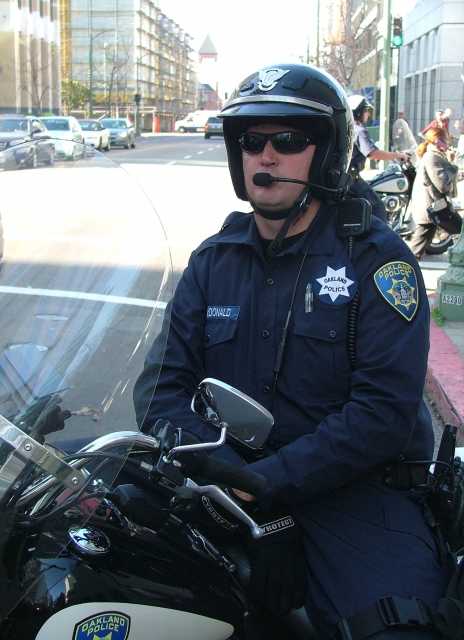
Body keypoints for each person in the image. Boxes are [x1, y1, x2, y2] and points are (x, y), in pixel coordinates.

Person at [134, 63, 449, 640]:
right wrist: (217, 477)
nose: (266, 157)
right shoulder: (213, 262)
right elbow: (162, 392)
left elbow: (382, 415)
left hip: (351, 495)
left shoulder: (377, 261)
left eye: (288, 140)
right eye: (252, 142)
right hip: (221, 484)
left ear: (326, 154)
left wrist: (267, 484)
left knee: (395, 629)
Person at [347, 95, 410, 223]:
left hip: (345, 176)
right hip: (351, 178)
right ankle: (379, 235)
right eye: (366, 111)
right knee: (378, 207)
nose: (368, 114)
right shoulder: (358, 129)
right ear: (358, 112)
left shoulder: (349, 127)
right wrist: (398, 155)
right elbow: (373, 153)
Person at [408, 127, 459, 261]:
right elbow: (442, 183)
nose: (448, 142)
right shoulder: (432, 157)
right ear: (438, 141)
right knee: (460, 231)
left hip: (433, 207)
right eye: (446, 139)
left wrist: (450, 162)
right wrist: (452, 166)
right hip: (434, 208)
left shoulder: (436, 156)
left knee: (417, 248)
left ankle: (407, 266)